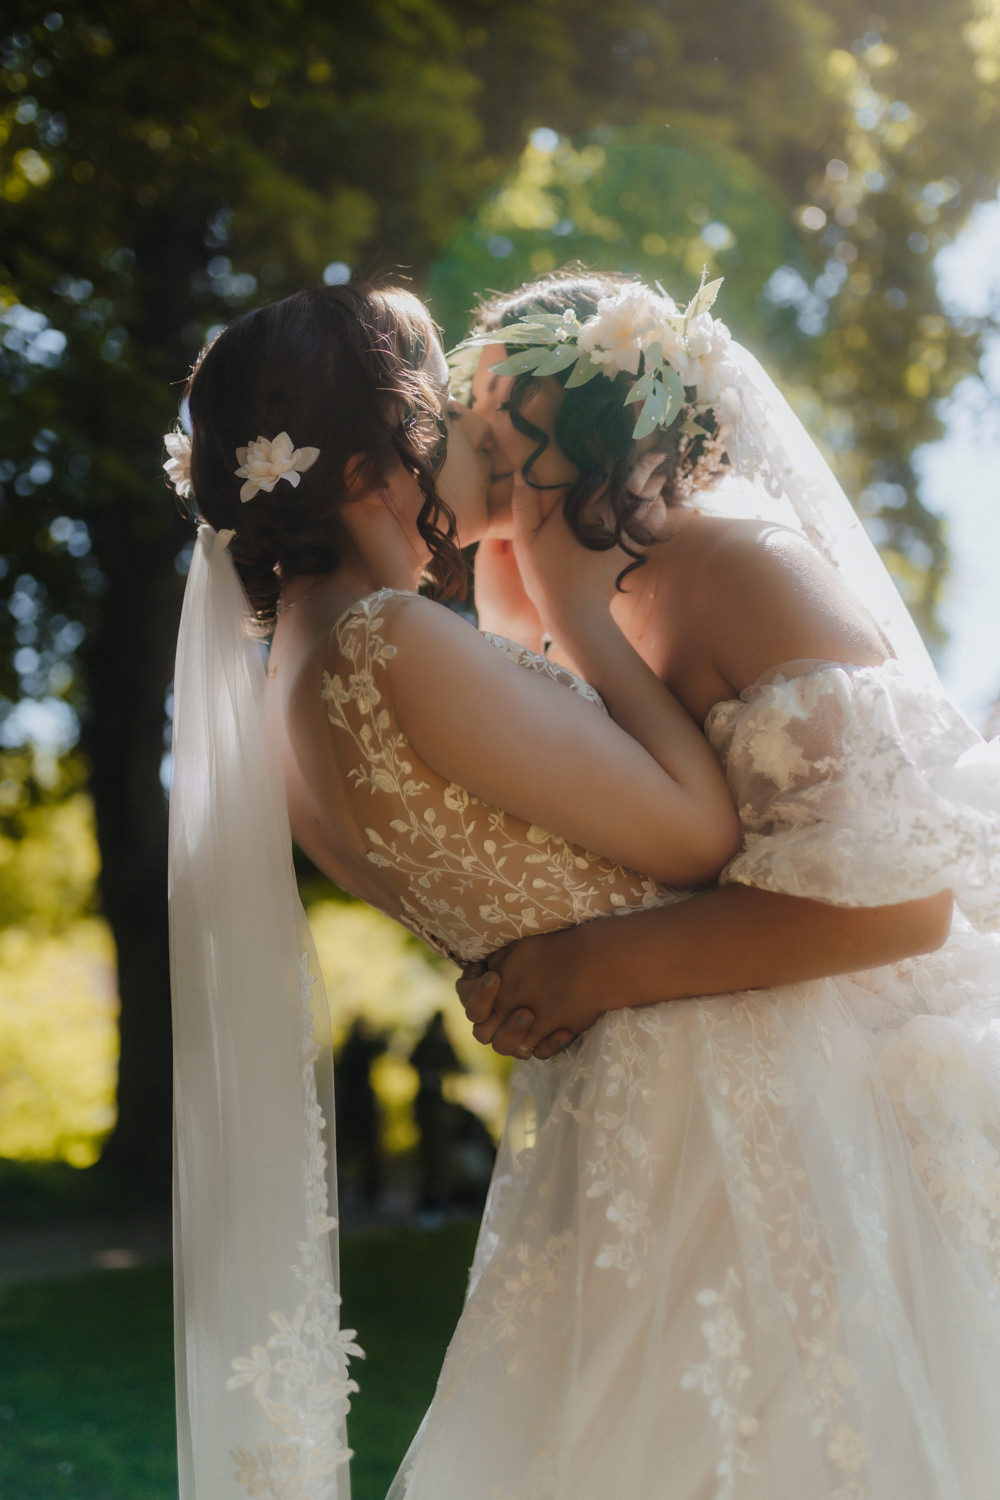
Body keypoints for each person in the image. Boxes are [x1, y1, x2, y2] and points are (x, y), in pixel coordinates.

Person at [164, 276, 1000, 1499]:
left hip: (675, 1119)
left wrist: (573, 965)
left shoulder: (285, 698)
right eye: (443, 420)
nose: (454, 447)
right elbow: (689, 842)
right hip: (709, 1110)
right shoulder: (392, 640)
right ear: (369, 463)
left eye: (489, 434)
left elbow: (901, 891)